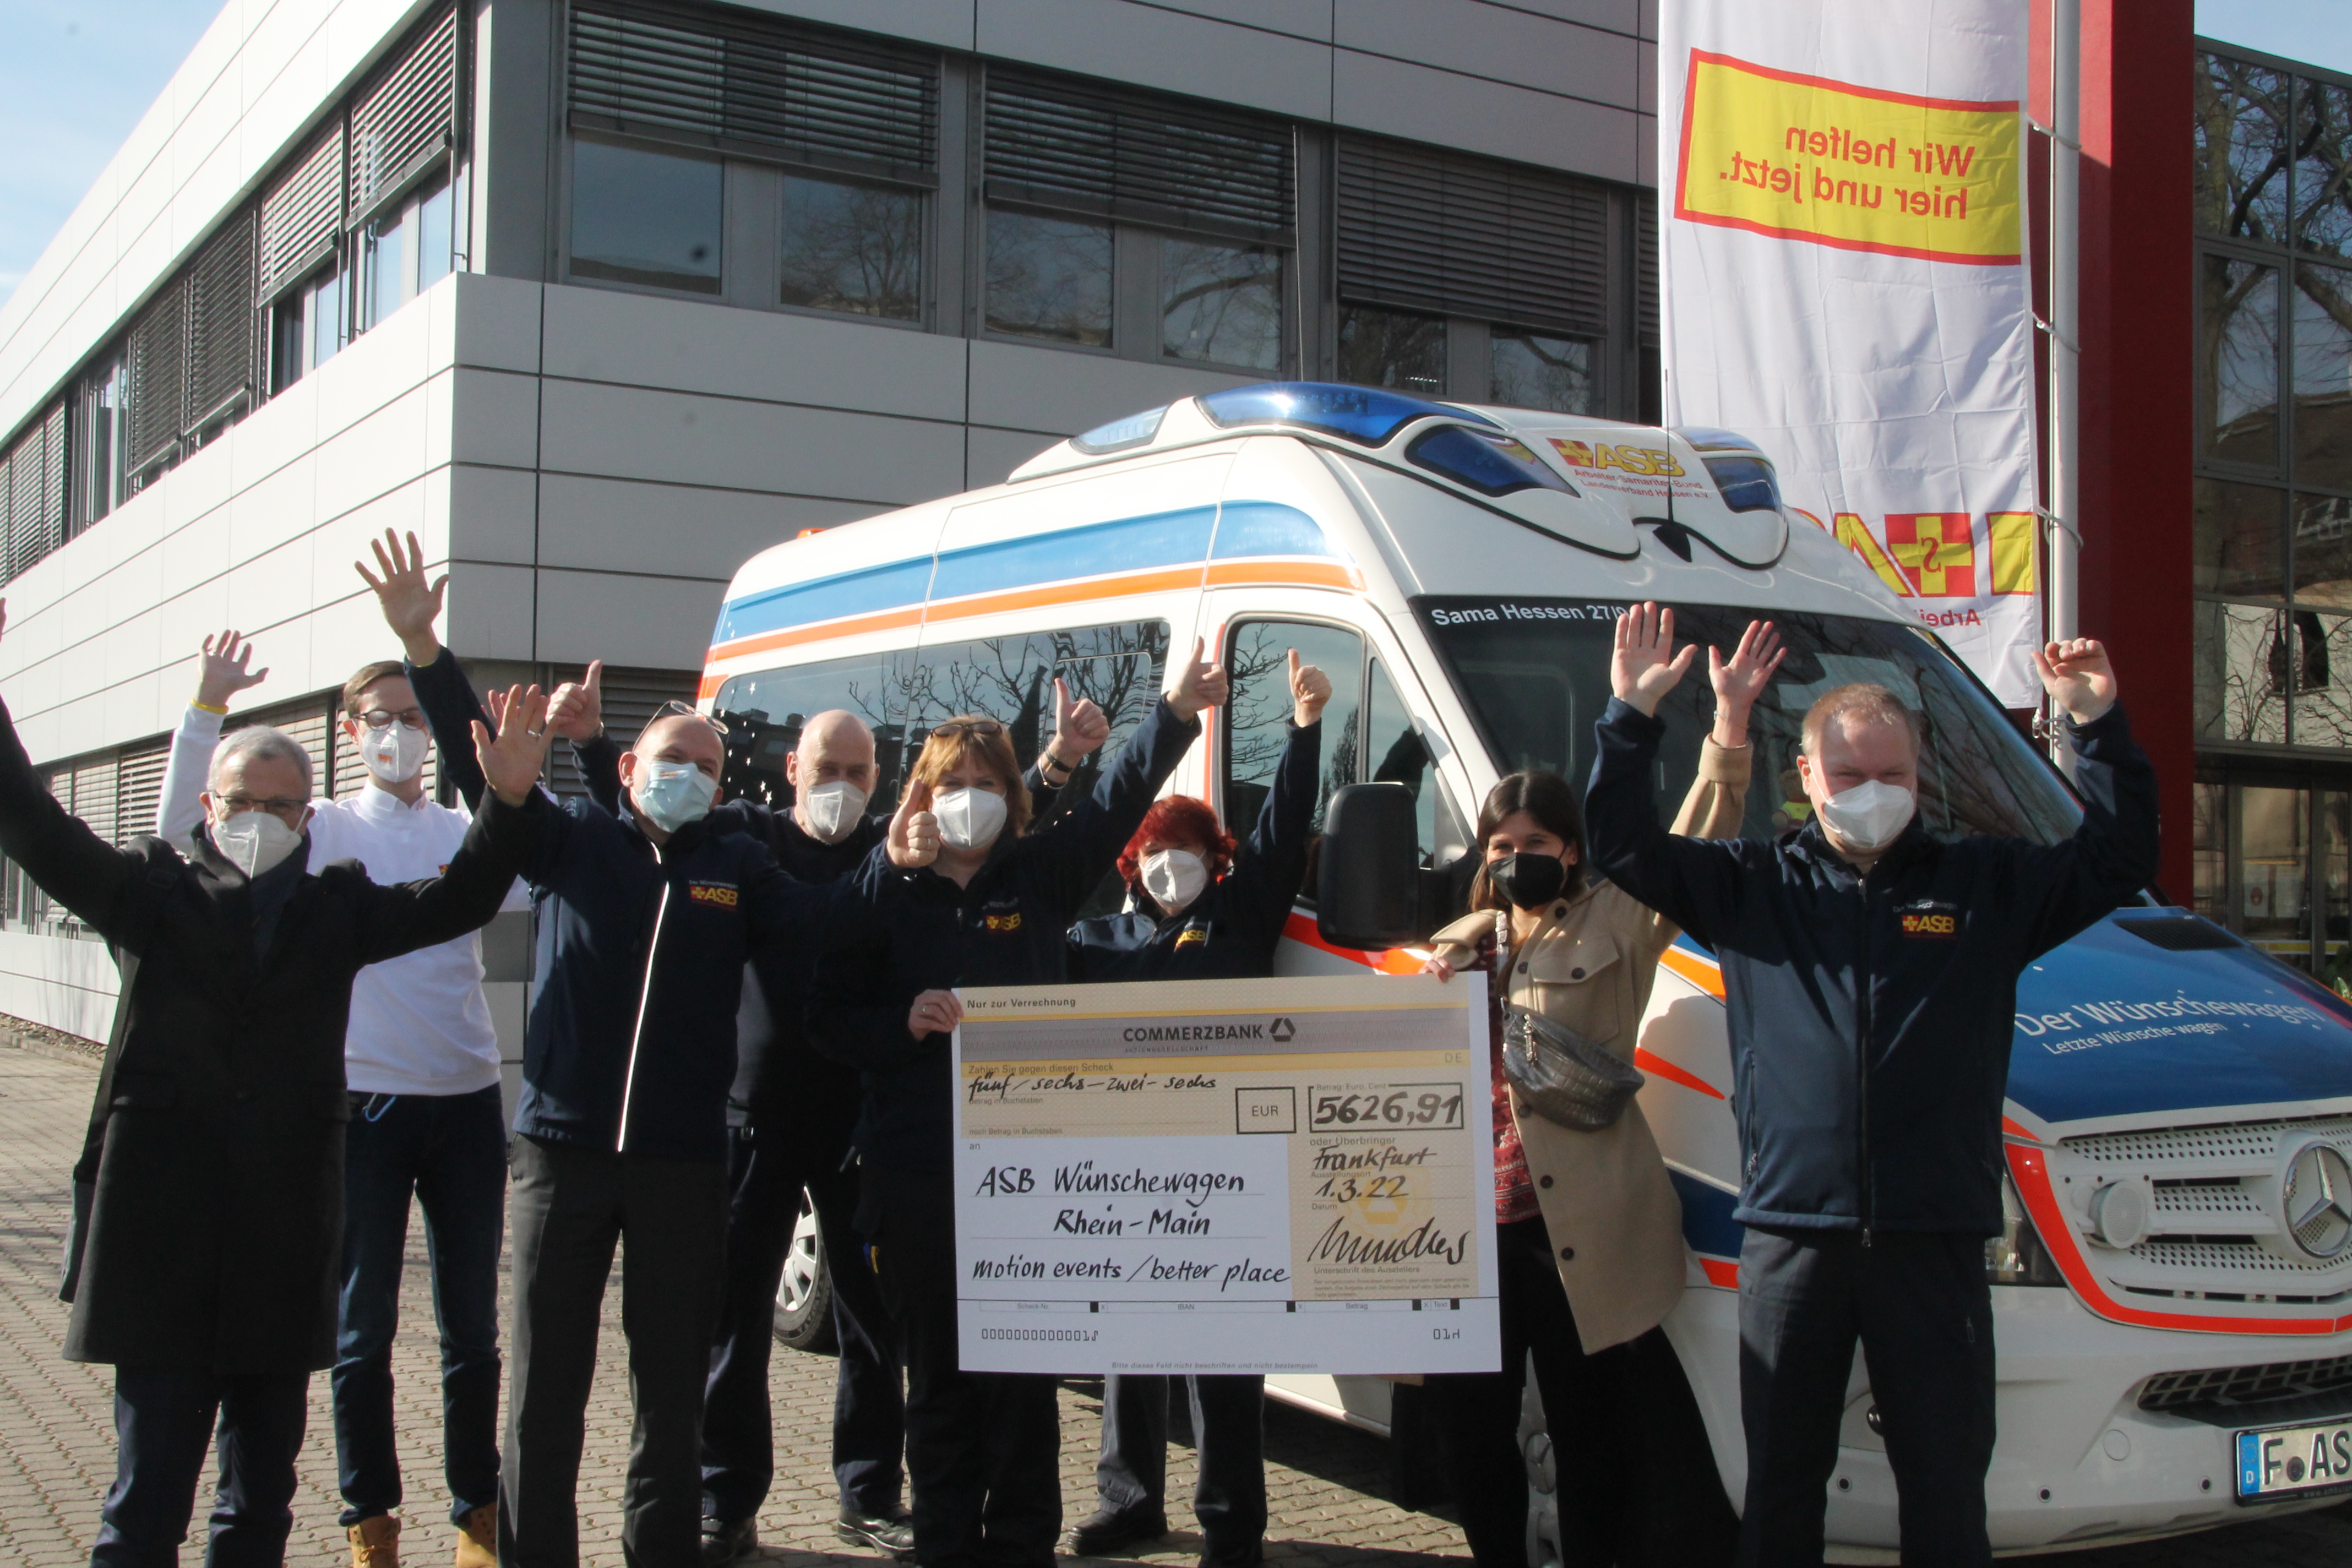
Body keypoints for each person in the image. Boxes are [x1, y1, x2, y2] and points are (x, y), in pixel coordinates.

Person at [1581, 604, 2160, 1568]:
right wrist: (1631, 716)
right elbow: (1621, 845)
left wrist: (2098, 726)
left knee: (1944, 1492)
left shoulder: (1987, 885)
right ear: (1807, 777)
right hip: (1791, 1242)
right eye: (1849, 775)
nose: (1873, 792)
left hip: (1931, 1241)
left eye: (1892, 775)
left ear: (1920, 775)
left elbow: (2118, 859)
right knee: (1781, 1495)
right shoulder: (1753, 887)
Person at [0, 597, 552, 1568]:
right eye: (240, 803)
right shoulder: (153, 897)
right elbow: (29, 822)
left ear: (310, 816)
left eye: (280, 806)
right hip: (163, 1251)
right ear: (209, 808)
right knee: (143, 1511)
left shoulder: (335, 909)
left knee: (257, 1515)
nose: (259, 821)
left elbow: (461, 895)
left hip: (278, 1247)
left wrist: (505, 803)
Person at [359, 531, 872, 1568]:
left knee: (671, 1391)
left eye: (707, 765)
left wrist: (902, 865)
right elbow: (488, 769)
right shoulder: (571, 842)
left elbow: (828, 924)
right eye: (671, 760)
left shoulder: (738, 866)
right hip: (560, 1153)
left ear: (728, 785)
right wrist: (424, 648)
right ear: (629, 768)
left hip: (686, 1165)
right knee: (544, 1391)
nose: (688, 774)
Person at [553, 667, 1110, 1565]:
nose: (844, 787)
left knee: (871, 1331)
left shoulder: (899, 853)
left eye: (859, 772)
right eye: (828, 769)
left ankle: (868, 1492)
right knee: (737, 1325)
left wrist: (1052, 767)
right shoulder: (744, 841)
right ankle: (724, 1498)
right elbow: (654, 814)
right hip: (758, 1118)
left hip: (860, 1126)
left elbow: (1003, 820)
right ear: (788, 769)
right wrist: (589, 749)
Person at [813, 641, 1227, 1568]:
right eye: (953, 780)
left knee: (1023, 1395)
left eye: (988, 779)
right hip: (914, 1178)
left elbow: (1119, 797)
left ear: (1013, 792)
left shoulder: (1037, 877)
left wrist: (1169, 713)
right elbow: (827, 1013)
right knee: (941, 1394)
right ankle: (948, 1549)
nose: (971, 794)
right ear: (921, 793)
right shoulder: (884, 890)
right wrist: (902, 1025)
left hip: (1028, 1184)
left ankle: (1021, 1551)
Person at [153, 631, 527, 1568]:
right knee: (360, 1332)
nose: (400, 735)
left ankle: (476, 1513)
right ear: (351, 731)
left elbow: (527, 830)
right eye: (381, 721)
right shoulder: (316, 826)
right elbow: (177, 836)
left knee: (472, 1331)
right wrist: (205, 711)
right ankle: (370, 1519)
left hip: (466, 1102)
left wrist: (460, 699)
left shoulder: (461, 829)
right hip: (360, 1108)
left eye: (414, 719)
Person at [1409, 617, 1772, 1568]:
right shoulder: (1456, 944)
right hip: (1462, 1239)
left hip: (1575, 1238)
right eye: (1499, 841)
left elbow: (1702, 828)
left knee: (1595, 1442)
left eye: (1535, 841)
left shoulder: (1620, 915)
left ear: (1571, 851)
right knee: (1473, 1439)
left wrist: (1724, 730)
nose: (1513, 855)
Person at [1059, 649, 1329, 1568]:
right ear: (1130, 865)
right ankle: (1128, 1501)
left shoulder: (1240, 919)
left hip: (1233, 1165)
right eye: (1153, 852)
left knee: (1225, 1352)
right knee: (1130, 1346)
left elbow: (1287, 830)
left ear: (1215, 860)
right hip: (1127, 1168)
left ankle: (1231, 1523)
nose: (1170, 865)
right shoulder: (1094, 942)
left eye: (1188, 850)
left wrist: (1304, 733)